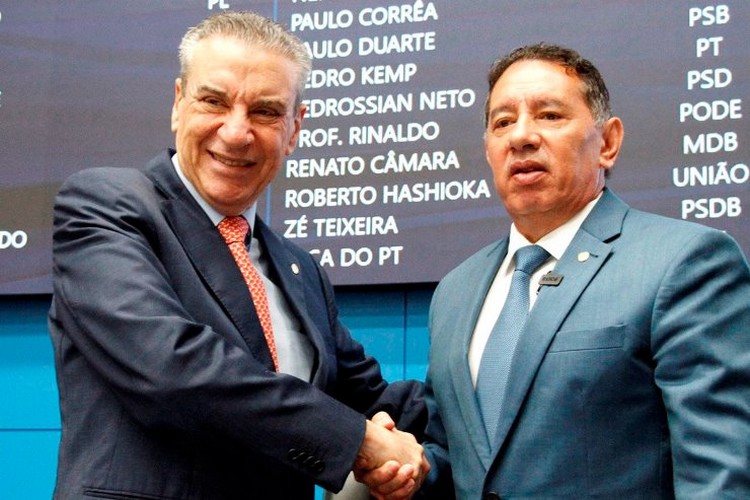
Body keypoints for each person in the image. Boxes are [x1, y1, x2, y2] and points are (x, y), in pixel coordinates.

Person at [47, 11, 429, 499]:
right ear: (178, 104)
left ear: (294, 129)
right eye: (214, 101)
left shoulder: (300, 270)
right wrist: (360, 442)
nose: (235, 132)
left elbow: (371, 398)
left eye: (265, 111)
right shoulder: (105, 206)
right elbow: (172, 368)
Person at [366, 42, 750, 499]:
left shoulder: (683, 261)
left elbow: (718, 473)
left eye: (549, 115)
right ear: (488, 150)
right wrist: (411, 470)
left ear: (608, 142)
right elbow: (465, 460)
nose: (521, 137)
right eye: (502, 122)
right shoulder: (456, 290)